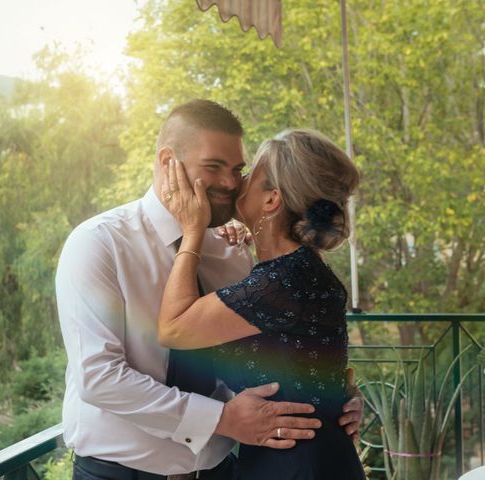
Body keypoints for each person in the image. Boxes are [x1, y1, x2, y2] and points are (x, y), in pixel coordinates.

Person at [56, 100, 363, 480]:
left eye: (239, 170)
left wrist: (330, 398)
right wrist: (222, 419)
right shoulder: (99, 243)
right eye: (214, 167)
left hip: (225, 471)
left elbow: (276, 348)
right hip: (121, 473)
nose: (232, 183)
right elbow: (98, 378)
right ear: (169, 162)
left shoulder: (236, 251)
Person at [157, 128, 366, 479]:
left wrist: (193, 230)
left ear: (271, 200)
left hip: (295, 465)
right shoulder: (297, 270)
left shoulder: (283, 280)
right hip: (305, 457)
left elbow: (172, 328)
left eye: (250, 173)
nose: (237, 182)